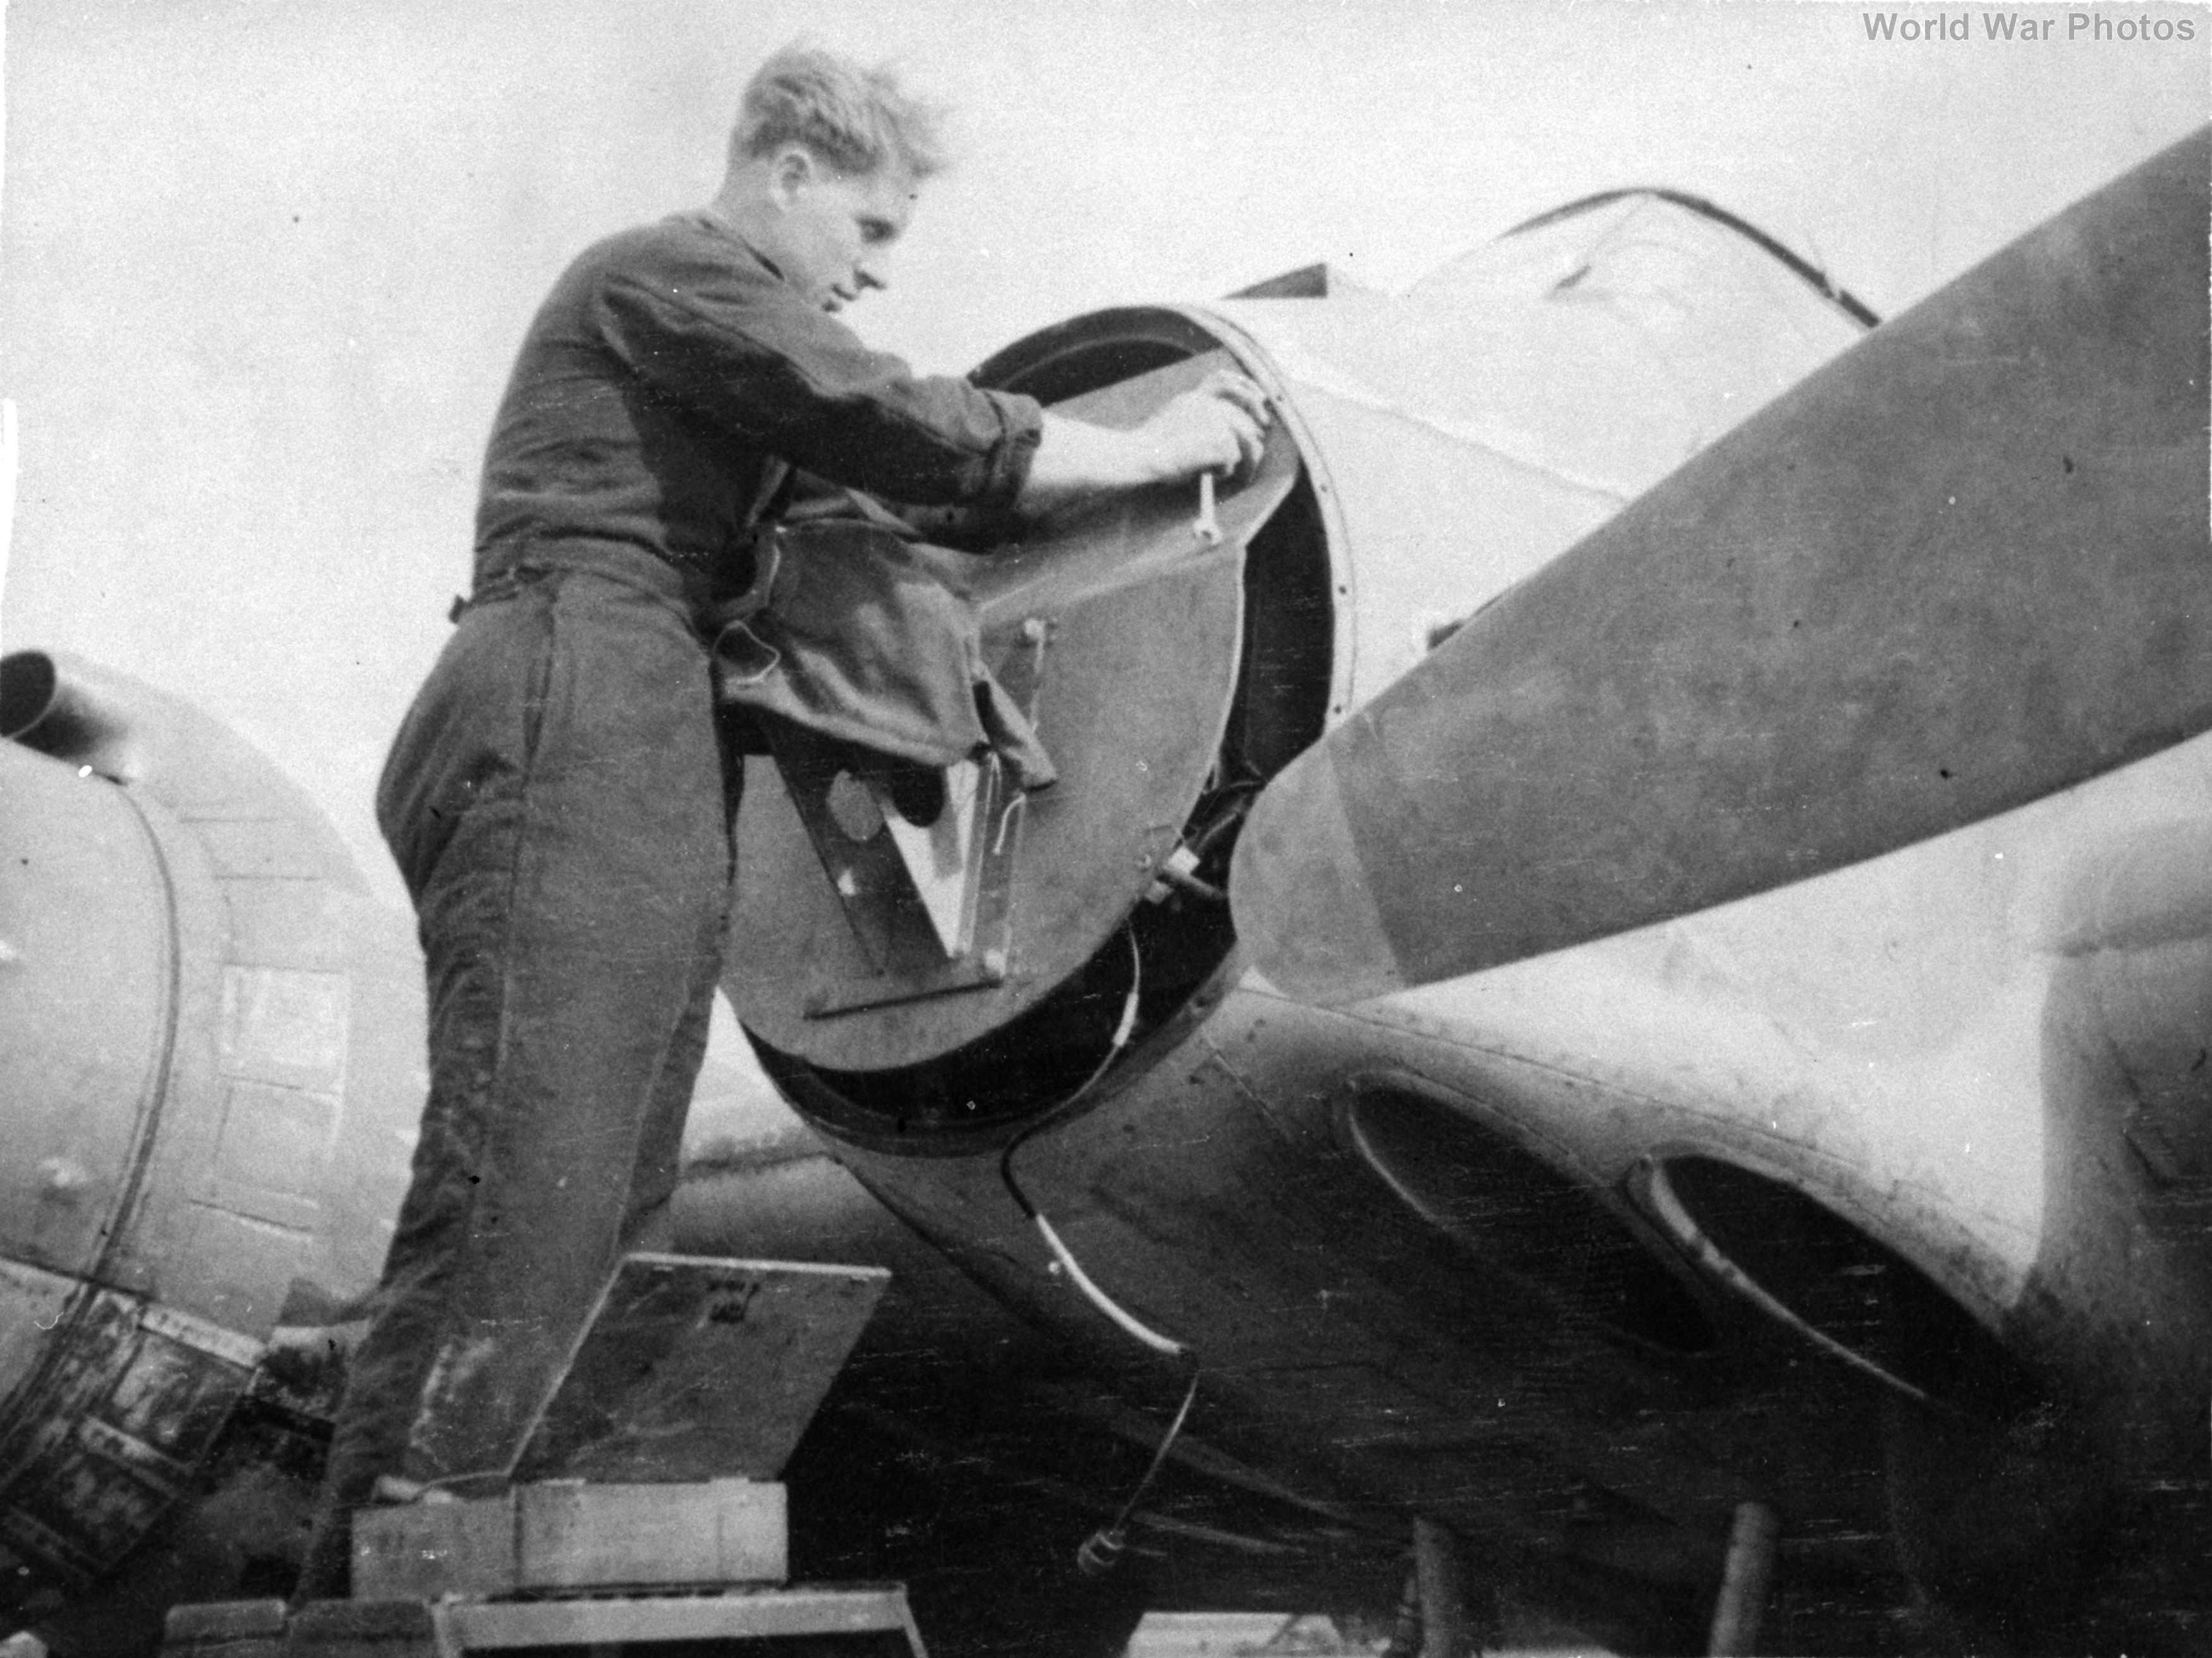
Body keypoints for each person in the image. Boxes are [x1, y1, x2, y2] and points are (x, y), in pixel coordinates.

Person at [293, 43, 1267, 1600]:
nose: (875, 276)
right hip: (574, 687)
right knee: (525, 1176)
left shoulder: (725, 351)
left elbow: (918, 496)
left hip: (641, 714)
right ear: (789, 172)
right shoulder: (669, 275)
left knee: (605, 1182)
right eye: (871, 234)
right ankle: (375, 1590)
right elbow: (900, 424)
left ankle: (463, 1567)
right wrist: (1150, 448)